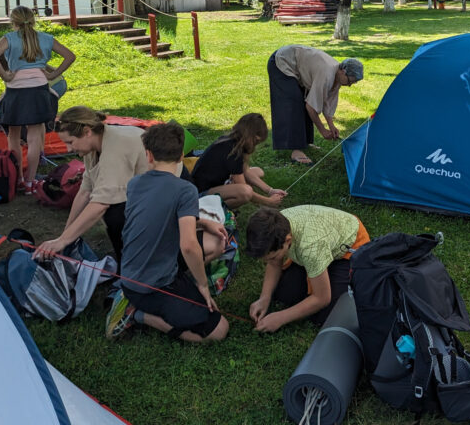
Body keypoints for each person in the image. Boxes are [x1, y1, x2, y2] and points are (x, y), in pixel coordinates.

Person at [104, 122, 229, 343]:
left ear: (148, 155)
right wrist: (202, 285)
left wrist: (205, 223)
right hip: (152, 287)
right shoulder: (185, 189)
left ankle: (143, 302)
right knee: (218, 331)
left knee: (208, 245)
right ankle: (137, 314)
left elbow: (160, 214)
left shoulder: (135, 184)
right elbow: (189, 246)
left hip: (130, 274)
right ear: (182, 156)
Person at [33, 107, 148, 264]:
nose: (68, 149)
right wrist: (65, 236)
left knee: (116, 214)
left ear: (87, 131)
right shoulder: (93, 146)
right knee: (115, 211)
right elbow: (85, 191)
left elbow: (101, 203)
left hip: (167, 188)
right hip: (142, 187)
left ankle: (130, 268)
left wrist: (64, 240)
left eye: (70, 142)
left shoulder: (115, 148)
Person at [0, 6, 75, 192]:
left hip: (16, 90)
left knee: (14, 136)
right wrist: (54, 74)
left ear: (13, 21)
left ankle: (17, 177)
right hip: (39, 89)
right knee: (35, 137)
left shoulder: (9, 38)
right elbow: (70, 56)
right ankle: (30, 182)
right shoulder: (46, 38)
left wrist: (5, 75)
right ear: (33, 20)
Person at [246, 204, 370, 332]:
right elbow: (273, 264)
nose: (269, 262)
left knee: (326, 316)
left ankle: (342, 273)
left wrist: (280, 318)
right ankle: (319, 271)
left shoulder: (310, 247)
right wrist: (264, 298)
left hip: (349, 247)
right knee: (284, 295)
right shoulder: (276, 225)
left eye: (272, 257)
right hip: (321, 241)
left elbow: (322, 298)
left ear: (288, 241)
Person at [267, 45, 363, 164]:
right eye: (350, 81)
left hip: (294, 65)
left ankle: (306, 142)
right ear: (343, 71)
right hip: (281, 62)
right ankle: (296, 151)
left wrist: (331, 126)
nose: (349, 85)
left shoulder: (337, 78)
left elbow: (327, 103)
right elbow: (311, 107)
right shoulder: (327, 74)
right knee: (295, 103)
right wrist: (322, 130)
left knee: (304, 100)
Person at [188, 113, 286, 209]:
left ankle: (220, 203)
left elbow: (246, 171)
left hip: (215, 184)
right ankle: (216, 210)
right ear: (252, 137)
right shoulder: (233, 151)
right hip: (200, 193)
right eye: (256, 142)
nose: (255, 146)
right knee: (245, 192)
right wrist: (268, 201)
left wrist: (270, 191)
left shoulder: (232, 142)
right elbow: (243, 187)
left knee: (258, 171)